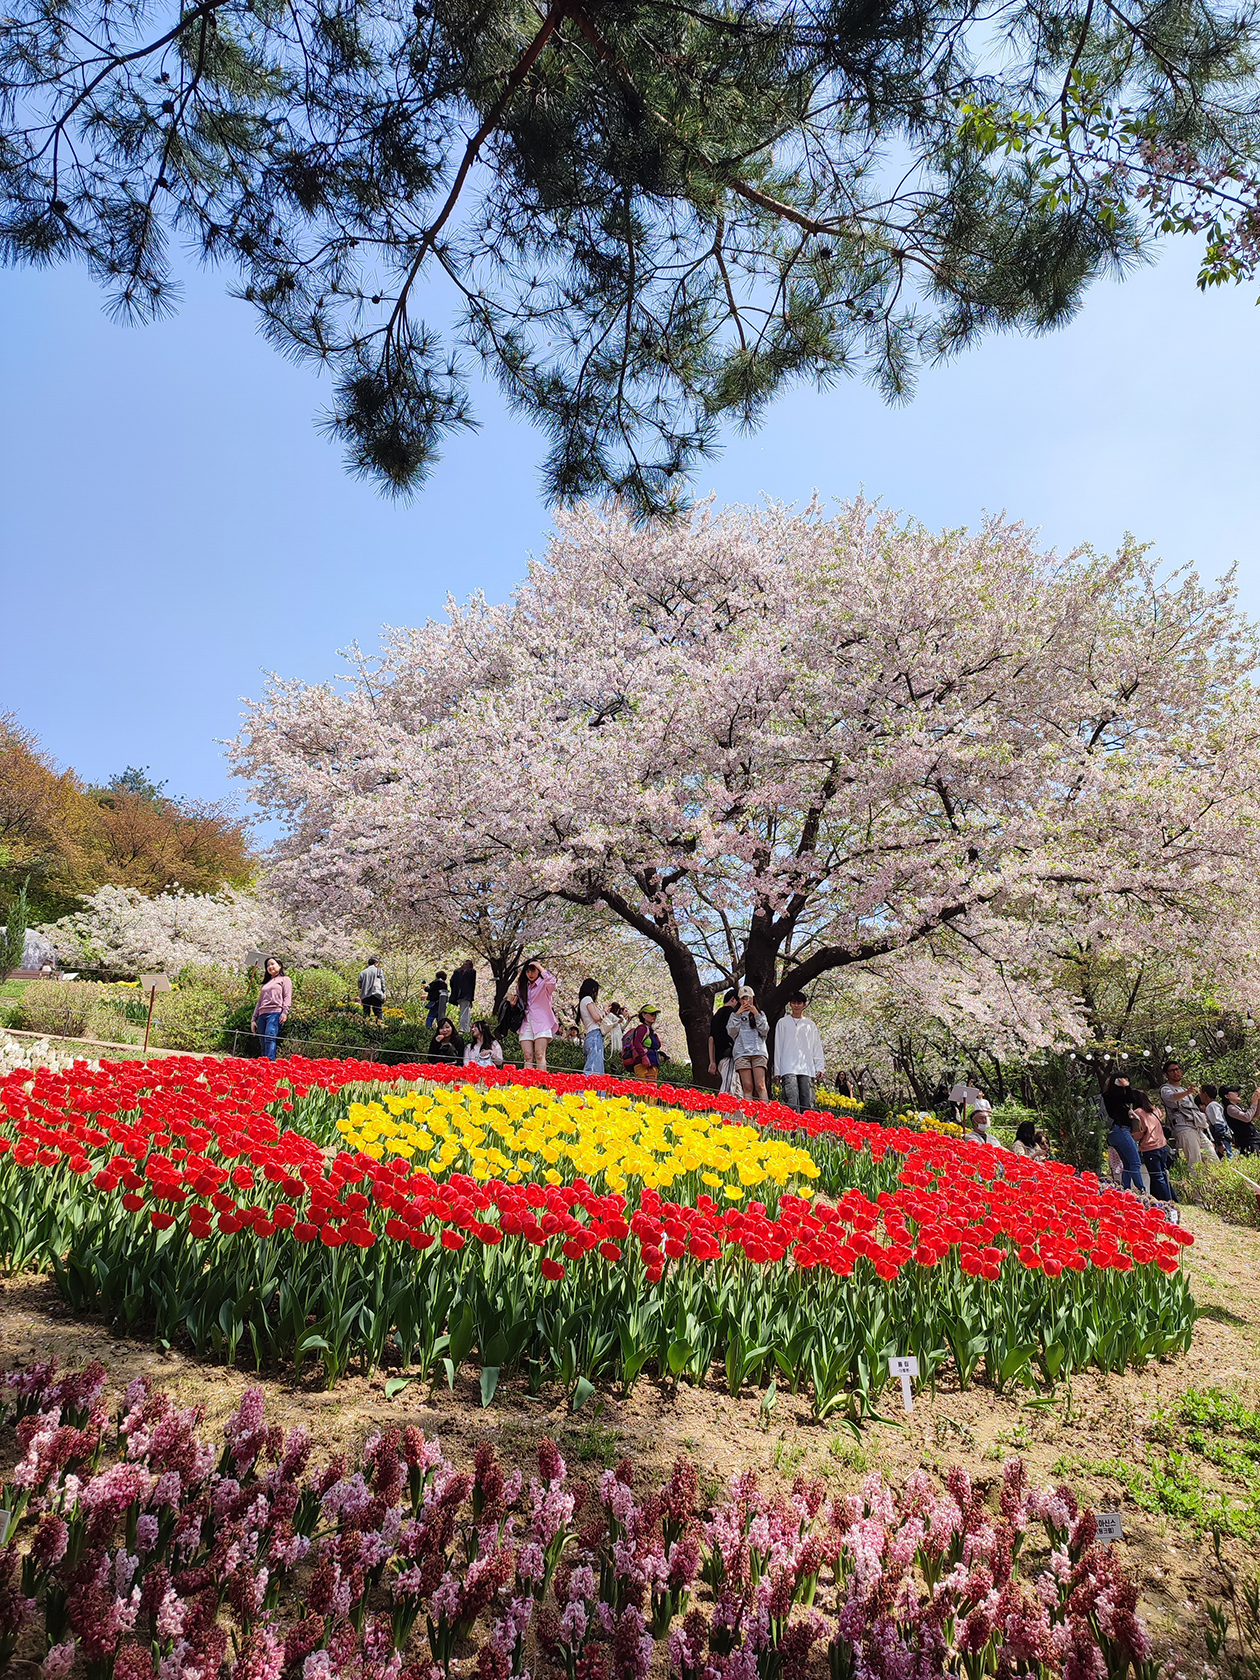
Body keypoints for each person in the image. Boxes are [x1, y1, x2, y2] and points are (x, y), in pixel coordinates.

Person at [773, 991, 825, 1113]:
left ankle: (806, 1131)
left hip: (807, 1068)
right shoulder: (782, 1022)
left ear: (804, 1005)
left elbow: (816, 1046)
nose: (796, 1005)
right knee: (791, 1101)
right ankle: (792, 1131)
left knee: (807, 1103)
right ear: (790, 1004)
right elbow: (778, 1046)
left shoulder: (810, 1025)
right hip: (788, 1067)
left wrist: (820, 1067)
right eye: (794, 1003)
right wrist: (777, 1069)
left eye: (799, 1003)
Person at [1160, 1062, 1216, 1165]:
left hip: (1197, 1126)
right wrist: (1187, 1092)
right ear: (1166, 1075)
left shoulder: (1184, 1089)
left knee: (1212, 1158)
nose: (1176, 1072)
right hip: (1183, 1127)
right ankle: (1195, 1180)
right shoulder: (1165, 1089)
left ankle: (1213, 1180)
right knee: (1194, 1161)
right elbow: (1173, 1097)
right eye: (1172, 1070)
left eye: (1177, 1069)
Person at [1129, 1089, 1175, 1202]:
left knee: (1157, 1176)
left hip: (1150, 1148)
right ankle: (1172, 1198)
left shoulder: (1138, 1113)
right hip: (1162, 1145)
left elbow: (1139, 1133)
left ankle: (1167, 1200)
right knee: (1163, 1175)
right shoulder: (1156, 1110)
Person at [514, 957, 558, 1070]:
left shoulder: (544, 984)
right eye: (527, 971)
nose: (530, 974)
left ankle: (540, 1083)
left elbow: (552, 983)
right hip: (525, 1022)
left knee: (539, 1054)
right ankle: (528, 1084)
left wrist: (540, 967)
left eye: (533, 970)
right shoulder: (522, 987)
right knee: (527, 1056)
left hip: (542, 1023)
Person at [727, 986, 770, 1101]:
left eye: (748, 998)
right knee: (747, 1086)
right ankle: (748, 1116)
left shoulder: (761, 1014)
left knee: (760, 1085)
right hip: (741, 1053)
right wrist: (738, 1014)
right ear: (739, 1000)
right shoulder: (734, 1015)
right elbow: (731, 1032)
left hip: (758, 1051)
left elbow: (765, 1030)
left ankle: (765, 1115)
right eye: (743, 998)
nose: (746, 1001)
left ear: (753, 998)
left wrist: (756, 1013)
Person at [251, 957, 292, 1062]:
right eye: (268, 966)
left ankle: (270, 1064)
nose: (270, 967)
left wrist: (284, 1012)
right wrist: (253, 1019)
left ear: (280, 965)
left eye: (272, 964)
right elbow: (259, 1002)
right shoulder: (266, 984)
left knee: (270, 1037)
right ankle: (263, 1064)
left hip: (275, 1013)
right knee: (262, 1040)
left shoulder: (285, 979)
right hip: (262, 1014)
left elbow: (287, 997)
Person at [1104, 1084, 1143, 1191]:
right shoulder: (1117, 1099)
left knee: (1127, 1164)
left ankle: (1126, 1189)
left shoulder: (1110, 1100)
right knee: (1135, 1162)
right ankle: (1140, 1189)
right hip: (1121, 1130)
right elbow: (1131, 1097)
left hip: (1113, 1133)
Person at [708, 987, 738, 1094]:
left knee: (737, 1089)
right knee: (728, 1087)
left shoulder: (716, 1016)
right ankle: (721, 1111)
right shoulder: (730, 1013)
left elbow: (711, 1039)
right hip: (729, 1055)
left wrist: (712, 1061)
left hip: (719, 1057)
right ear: (733, 999)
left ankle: (740, 1111)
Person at [625, 1005, 665, 1082]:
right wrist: (644, 1057)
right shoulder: (642, 1028)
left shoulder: (650, 1030)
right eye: (651, 1014)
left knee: (651, 1088)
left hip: (652, 1063)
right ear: (643, 1015)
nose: (654, 1016)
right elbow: (637, 1043)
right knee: (646, 1089)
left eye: (655, 1014)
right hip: (644, 1064)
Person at [577, 978, 608, 1076]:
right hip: (595, 1035)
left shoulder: (582, 1002)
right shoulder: (587, 999)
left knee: (594, 1068)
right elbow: (595, 1017)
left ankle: (587, 1091)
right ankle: (583, 1091)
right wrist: (603, 1013)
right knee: (594, 1069)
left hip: (590, 1036)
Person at [1223, 1086, 1260, 1155]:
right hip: (1248, 1141)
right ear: (1227, 1096)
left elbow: (1254, 1115)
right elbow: (1247, 1118)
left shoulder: (1237, 1107)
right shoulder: (1230, 1108)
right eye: (1234, 1092)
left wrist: (1258, 1101)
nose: (1237, 1093)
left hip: (1254, 1139)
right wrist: (1254, 1103)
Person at [1200, 1084, 1233, 1158]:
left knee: (1227, 1158)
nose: (1199, 1095)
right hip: (1221, 1138)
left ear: (1205, 1094)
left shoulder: (1213, 1106)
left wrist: (1220, 1143)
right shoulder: (1212, 1105)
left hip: (1223, 1138)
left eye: (1200, 1093)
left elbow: (1219, 1123)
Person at [450, 960, 477, 1035]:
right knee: (465, 1012)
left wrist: (454, 991)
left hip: (458, 995)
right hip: (467, 995)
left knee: (465, 1011)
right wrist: (471, 998)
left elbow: (451, 981)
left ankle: (467, 1028)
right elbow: (472, 985)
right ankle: (463, 1029)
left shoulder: (457, 971)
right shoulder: (472, 972)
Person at [358, 955, 386, 1019]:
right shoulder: (379, 971)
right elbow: (383, 983)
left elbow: (359, 985)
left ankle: (366, 1026)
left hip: (365, 995)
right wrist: (384, 994)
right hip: (376, 994)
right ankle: (380, 1026)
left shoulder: (363, 972)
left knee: (366, 1013)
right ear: (375, 963)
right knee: (378, 1012)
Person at [606, 1003, 626, 1068]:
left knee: (619, 1049)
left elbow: (622, 1028)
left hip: (619, 1034)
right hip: (613, 1034)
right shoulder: (610, 1015)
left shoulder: (617, 1017)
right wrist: (617, 1022)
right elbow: (609, 1025)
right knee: (615, 1049)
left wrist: (628, 1021)